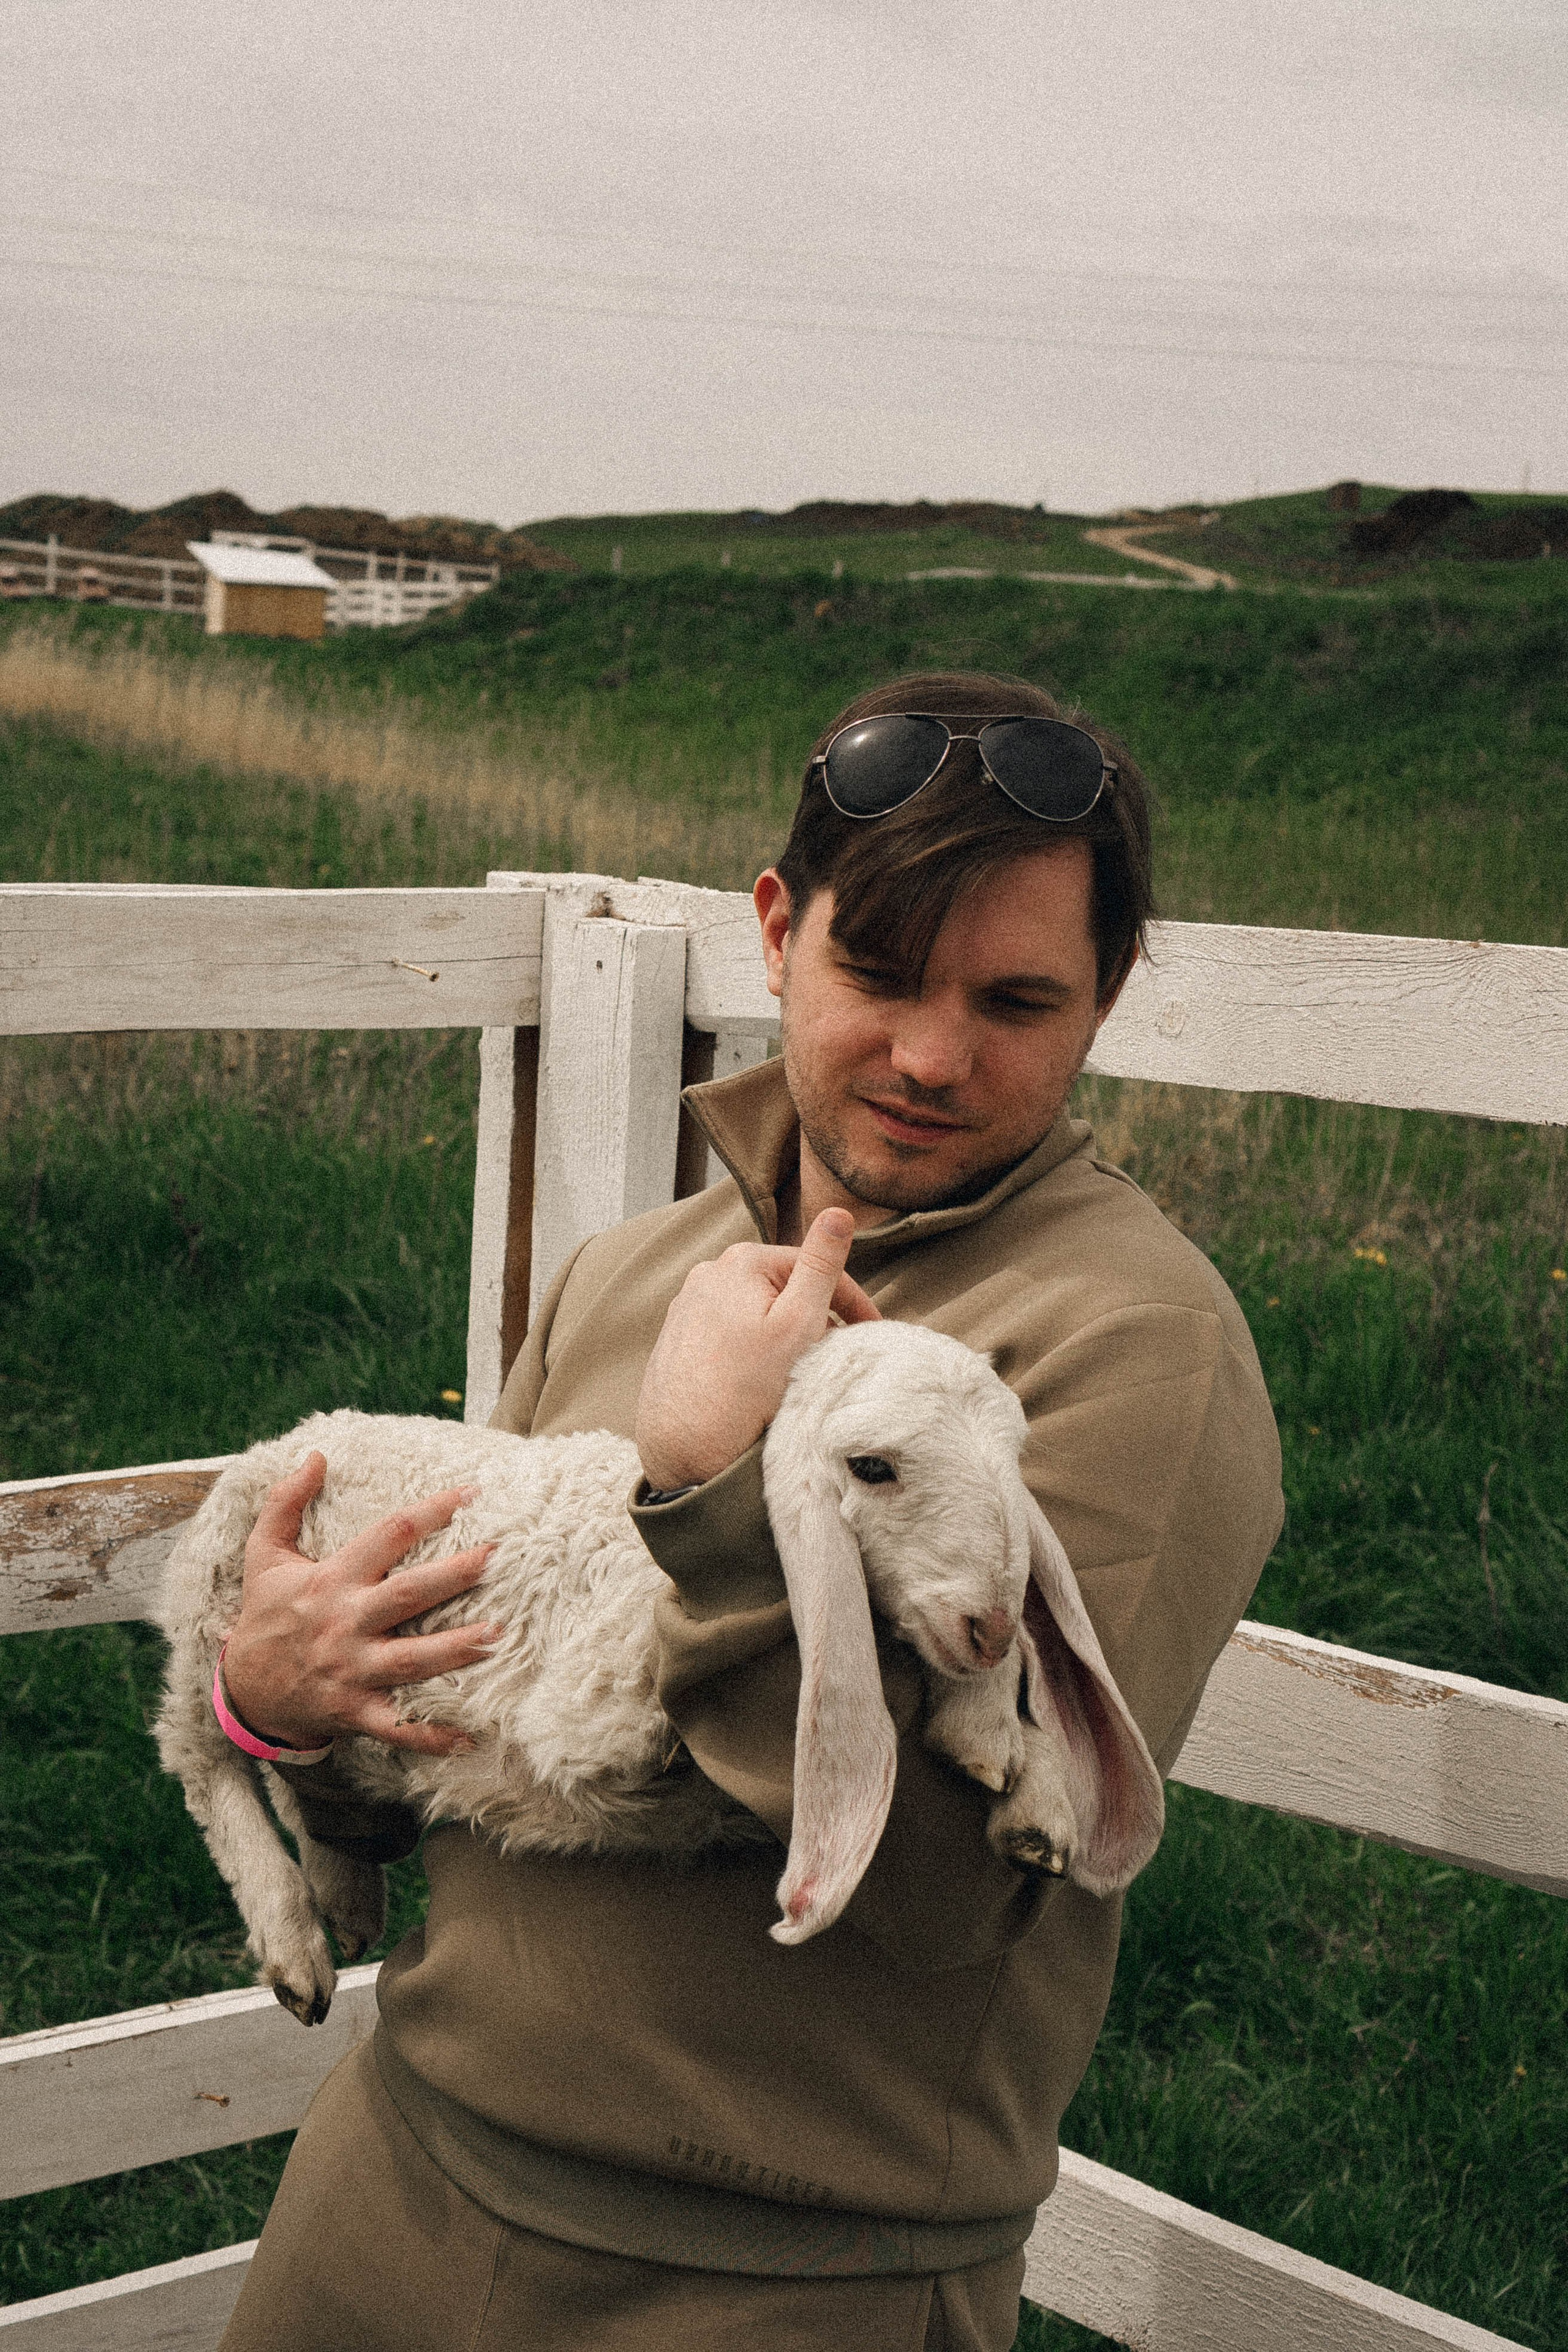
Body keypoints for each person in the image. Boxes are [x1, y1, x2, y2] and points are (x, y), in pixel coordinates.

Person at [216, 671, 1283, 2352]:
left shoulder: (1131, 1348)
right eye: (877, 972)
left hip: (774, 2282)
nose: (933, 1057)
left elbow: (949, 1893)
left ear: (1109, 993)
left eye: (1015, 999)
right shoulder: (631, 1274)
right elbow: (452, 1746)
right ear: (778, 928)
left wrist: (711, 1489)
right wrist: (282, 1709)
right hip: (393, 2174)